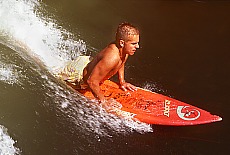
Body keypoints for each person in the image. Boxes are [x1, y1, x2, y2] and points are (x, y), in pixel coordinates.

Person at [82, 22, 140, 102]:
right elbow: (91, 81)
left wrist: (122, 82)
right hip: (77, 75)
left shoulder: (124, 51)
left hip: (89, 66)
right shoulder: (112, 58)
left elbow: (121, 62)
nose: (137, 46)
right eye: (133, 44)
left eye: (137, 43)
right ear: (122, 43)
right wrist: (104, 102)